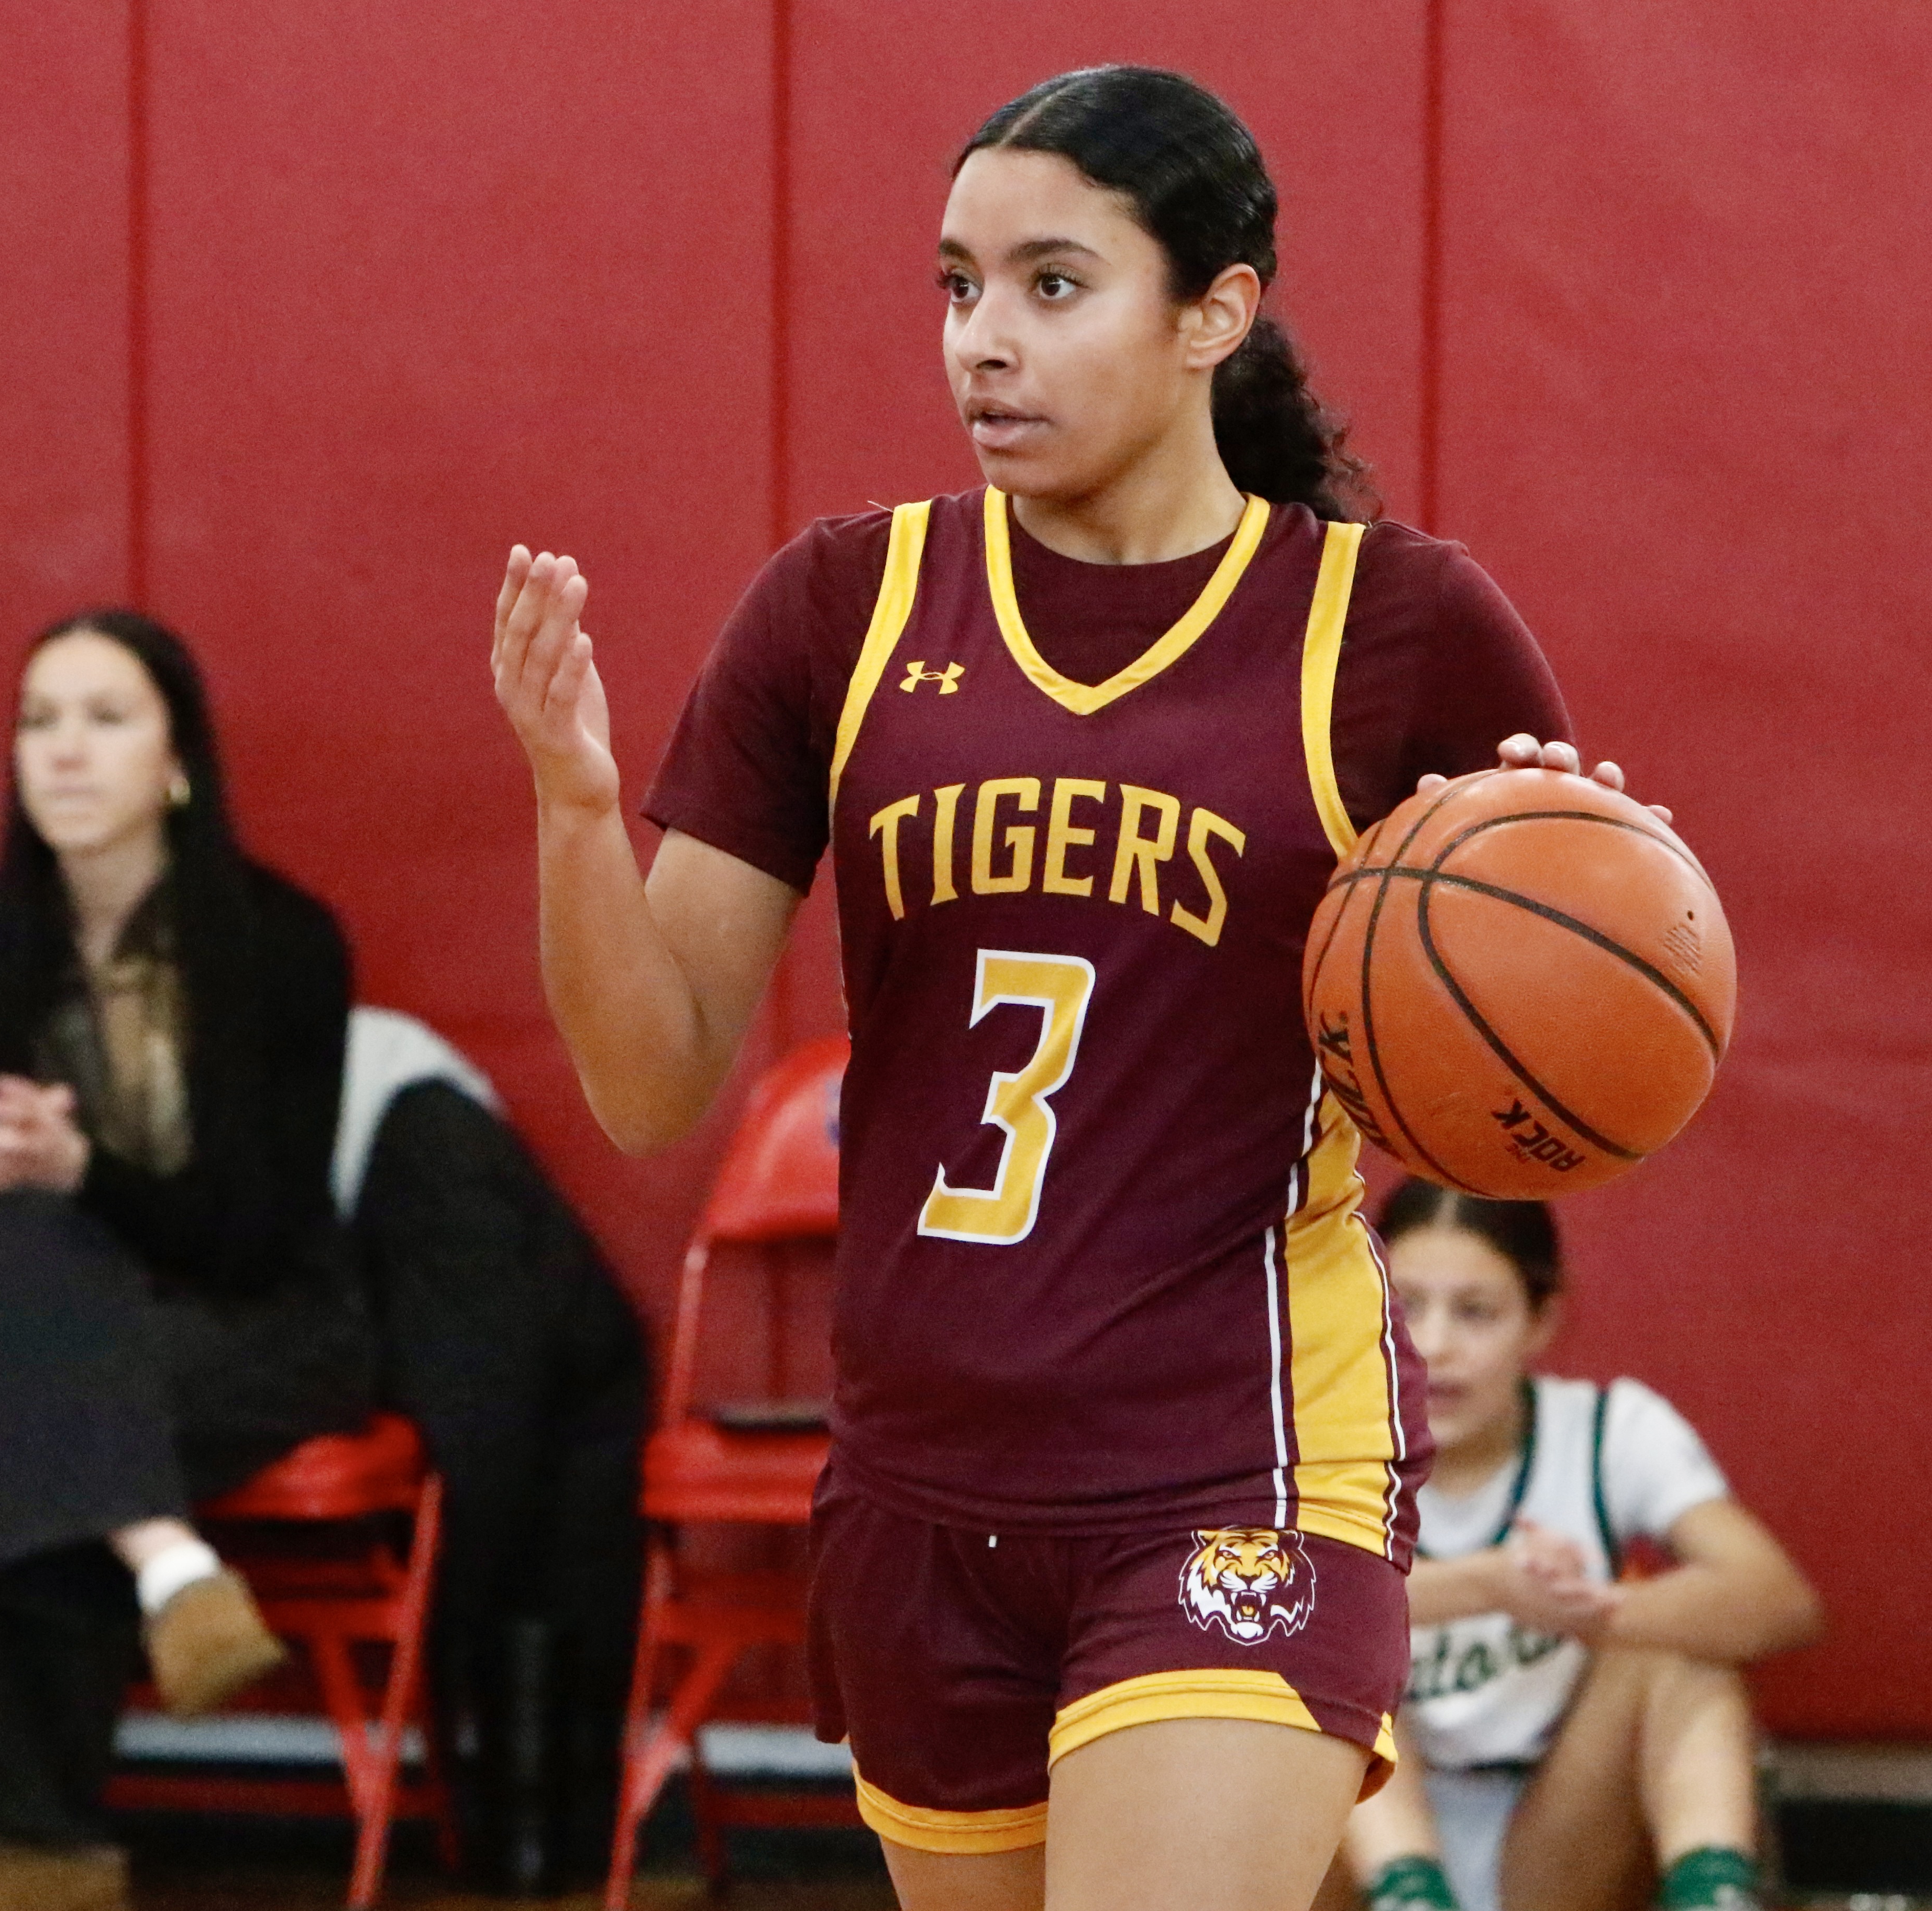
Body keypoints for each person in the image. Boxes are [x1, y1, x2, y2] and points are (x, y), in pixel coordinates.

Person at [488, 63, 1662, 1911]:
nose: (982, 343)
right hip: (922, 1477)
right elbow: (651, 1077)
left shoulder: (1400, 627)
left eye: (1051, 285)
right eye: (956, 286)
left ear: (1216, 311)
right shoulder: (840, 608)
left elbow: (1563, 1009)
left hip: (1237, 1458)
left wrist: (1576, 897)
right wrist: (570, 805)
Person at [0, 611, 377, 1911]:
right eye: (39, 721)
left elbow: (263, 1231)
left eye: (105, 719)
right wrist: (36, 1190)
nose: (64, 753)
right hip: (30, 1306)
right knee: (21, 1265)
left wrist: (84, 1174)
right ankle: (171, 1563)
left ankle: (38, 1844)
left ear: (178, 759)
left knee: (53, 1404)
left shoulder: (284, 944)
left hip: (253, 1320)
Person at [1332, 1185, 1821, 1911]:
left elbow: (1780, 1601)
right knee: (1315, 1662)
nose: (1435, 1345)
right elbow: (1280, 1609)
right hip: (1361, 1851)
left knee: (1679, 1639)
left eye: (1475, 1312)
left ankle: (1715, 1894)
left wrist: (1593, 1611)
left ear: (1542, 1321)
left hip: (1559, 1844)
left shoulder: (1607, 1430)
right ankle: (1410, 1893)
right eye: (1407, 1306)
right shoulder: (1320, 1443)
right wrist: (1492, 1587)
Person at [340, 1008, 649, 1894]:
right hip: (459, 1169)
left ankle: (510, 1836)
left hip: (419, 1170)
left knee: (484, 1509)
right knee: (562, 1490)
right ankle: (559, 1838)